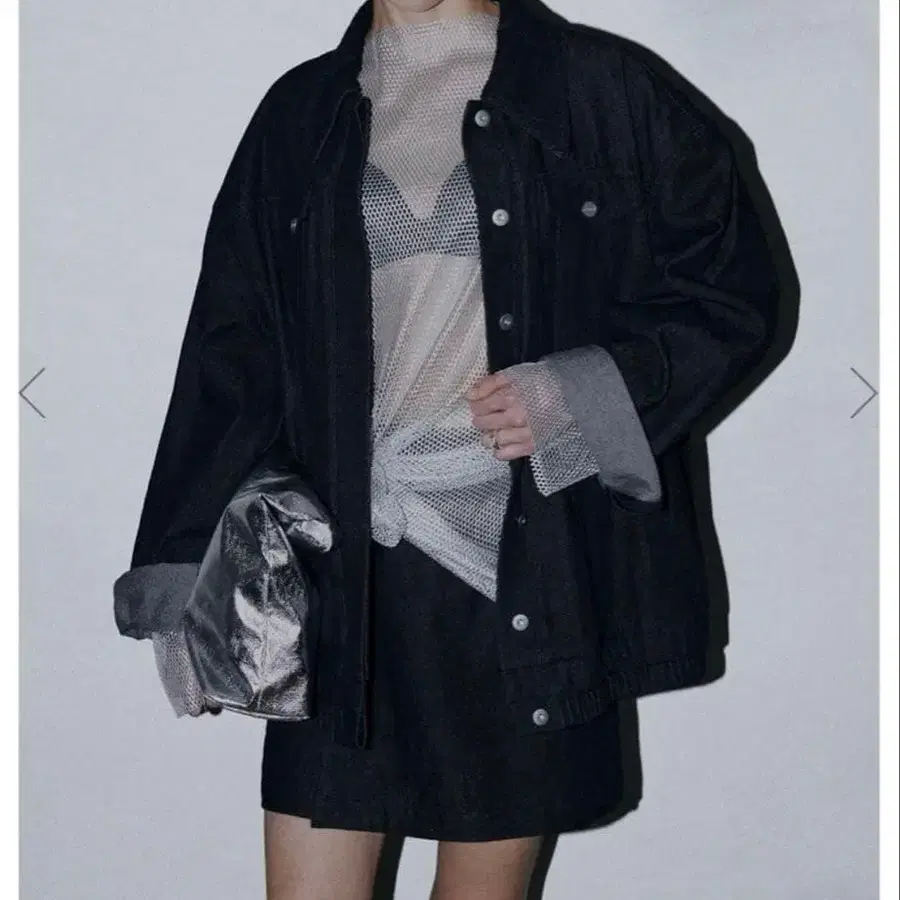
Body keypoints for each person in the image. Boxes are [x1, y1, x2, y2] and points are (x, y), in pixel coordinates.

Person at [112, 0, 787, 897]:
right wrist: (183, 559)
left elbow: (734, 291)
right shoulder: (300, 113)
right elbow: (234, 350)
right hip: (347, 585)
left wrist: (584, 394)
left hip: (524, 585)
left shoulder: (601, 91)